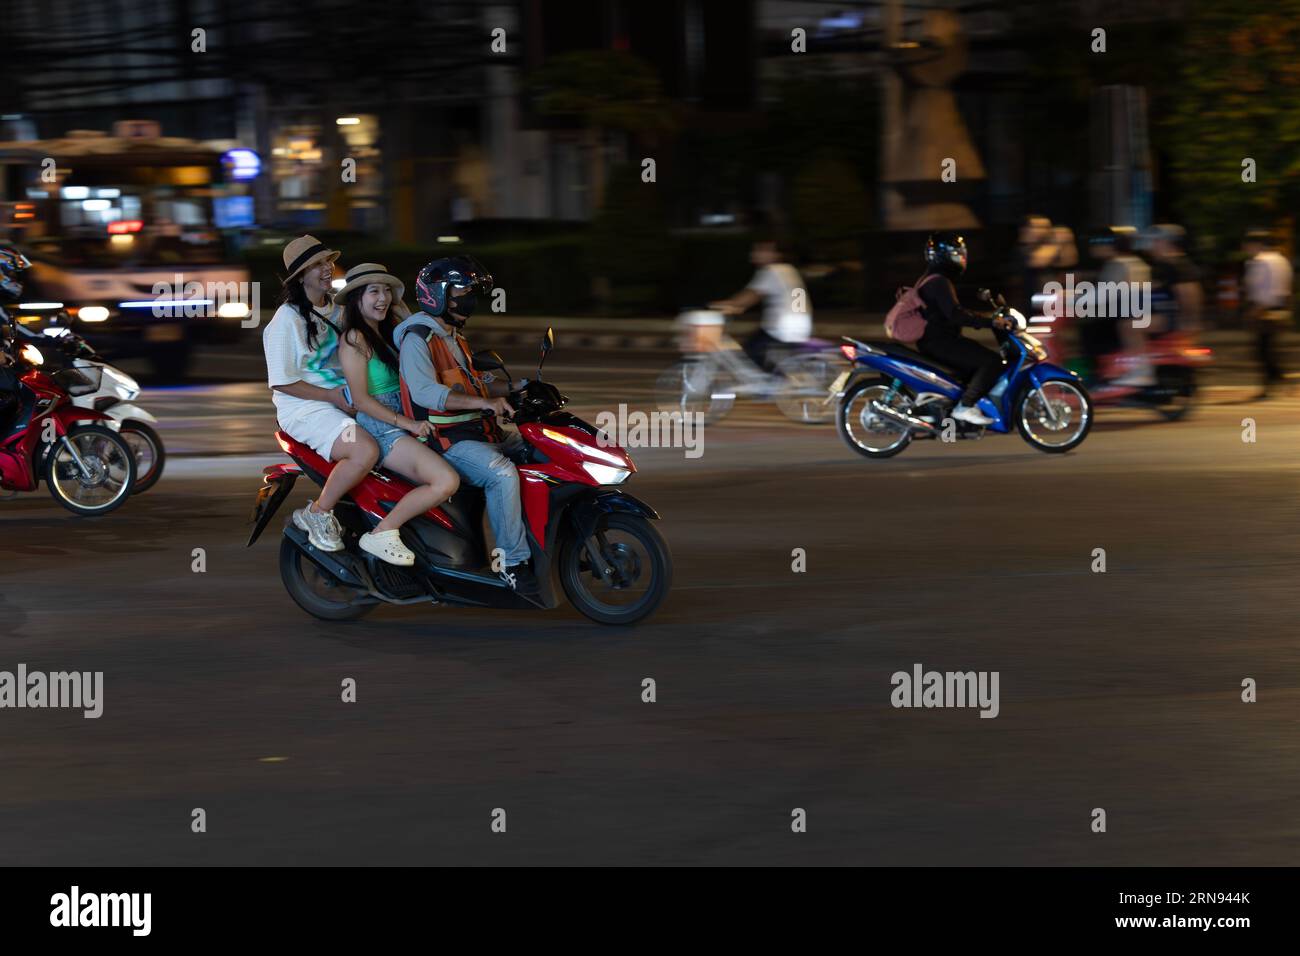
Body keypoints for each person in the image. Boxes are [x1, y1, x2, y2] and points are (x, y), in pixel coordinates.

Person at [393, 256, 539, 596]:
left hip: (481, 432)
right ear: (437, 294)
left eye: (471, 291)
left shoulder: (453, 337)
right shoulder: (418, 339)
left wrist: (513, 391)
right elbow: (427, 392)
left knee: (541, 449)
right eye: (461, 291)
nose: (468, 298)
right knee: (501, 474)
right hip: (447, 442)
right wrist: (485, 403)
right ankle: (512, 563)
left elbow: (473, 383)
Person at [336, 263, 461, 566]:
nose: (383, 298)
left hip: (411, 418)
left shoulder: (389, 333)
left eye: (387, 291)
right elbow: (362, 400)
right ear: (356, 299)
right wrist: (407, 423)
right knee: (445, 481)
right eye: (373, 292)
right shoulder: (354, 339)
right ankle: (383, 531)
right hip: (383, 426)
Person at [263, 235, 379, 553]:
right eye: (317, 265)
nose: (327, 269)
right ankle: (318, 512)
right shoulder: (286, 321)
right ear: (300, 276)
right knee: (364, 451)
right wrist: (332, 397)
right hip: (306, 407)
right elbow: (282, 382)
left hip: (347, 397)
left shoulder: (336, 309)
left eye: (327, 262)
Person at [912, 232, 1015, 426]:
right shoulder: (938, 282)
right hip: (941, 342)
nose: (962, 258)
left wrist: (980, 296)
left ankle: (949, 405)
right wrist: (990, 322)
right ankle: (965, 406)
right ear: (944, 256)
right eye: (957, 254)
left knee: (973, 364)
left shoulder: (934, 279)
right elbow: (956, 315)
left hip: (936, 341)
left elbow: (954, 302)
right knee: (992, 361)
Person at [708, 233, 812, 371]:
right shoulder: (788, 269)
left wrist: (720, 306)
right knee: (761, 351)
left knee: (750, 350)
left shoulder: (771, 270)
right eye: (756, 250)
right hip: (801, 323)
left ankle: (772, 383)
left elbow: (748, 297)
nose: (756, 253)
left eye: (762, 250)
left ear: (776, 255)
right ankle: (772, 378)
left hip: (783, 326)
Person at [1242, 228, 1293, 400]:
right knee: (1268, 348)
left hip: (1265, 311)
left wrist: (1255, 310)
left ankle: (1272, 384)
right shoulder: (1281, 260)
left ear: (1256, 244)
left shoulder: (1260, 261)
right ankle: (1277, 379)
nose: (1245, 248)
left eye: (1247, 245)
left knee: (1262, 350)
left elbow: (1262, 292)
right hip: (1280, 310)